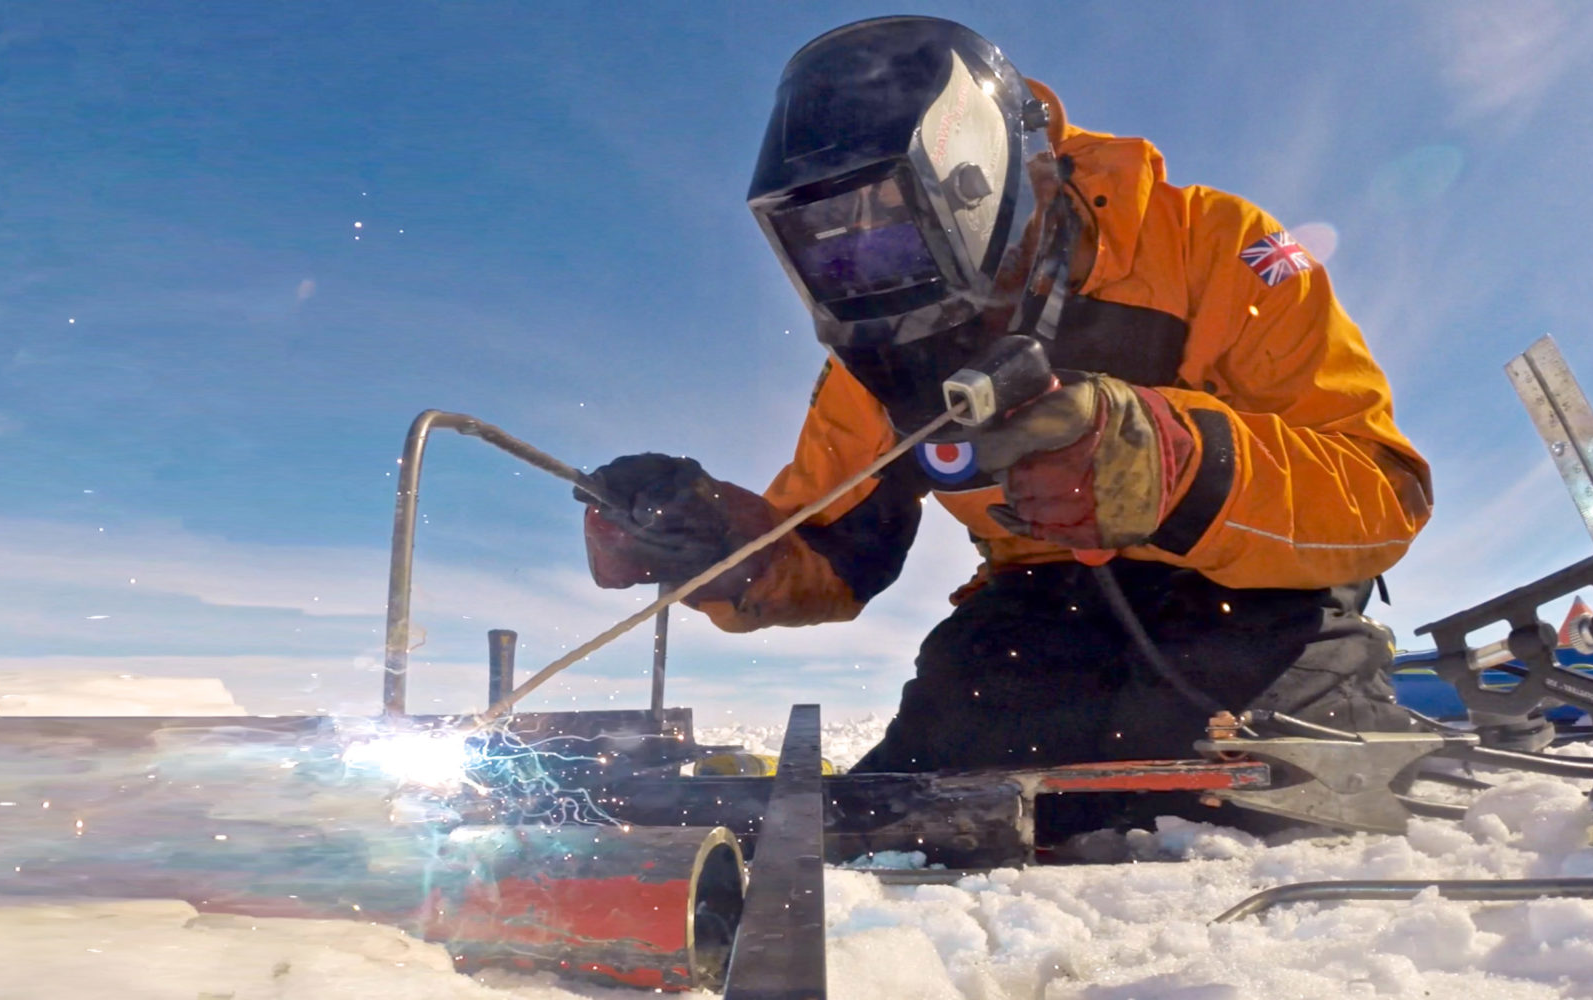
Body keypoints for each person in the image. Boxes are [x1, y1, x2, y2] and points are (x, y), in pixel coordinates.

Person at [577, 17, 1436, 834]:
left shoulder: (1213, 245)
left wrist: (1178, 464)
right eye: (838, 248)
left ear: (1006, 187)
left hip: (1256, 598)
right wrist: (721, 548)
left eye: (895, 233)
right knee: (917, 805)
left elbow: (1382, 498)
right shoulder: (875, 357)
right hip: (1041, 616)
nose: (877, 271)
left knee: (1253, 791)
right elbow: (833, 548)